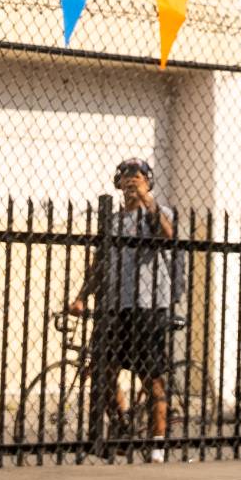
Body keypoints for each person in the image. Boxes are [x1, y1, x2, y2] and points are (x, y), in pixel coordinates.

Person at [69, 157, 179, 463]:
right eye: (127, 177)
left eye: (139, 177)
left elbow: (166, 235)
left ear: (148, 181)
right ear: (118, 183)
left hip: (147, 306)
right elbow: (100, 265)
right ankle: (121, 425)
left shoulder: (157, 214)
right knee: (101, 372)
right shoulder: (114, 222)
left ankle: (157, 442)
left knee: (151, 377)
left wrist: (147, 201)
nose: (132, 181)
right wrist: (81, 297)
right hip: (115, 307)